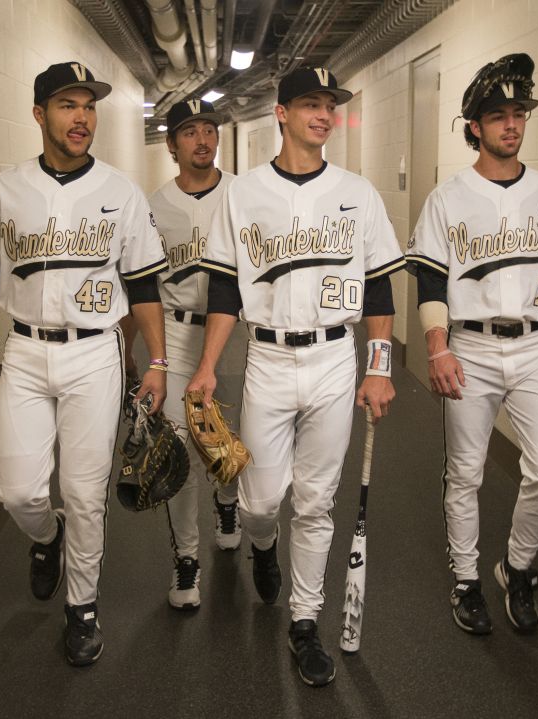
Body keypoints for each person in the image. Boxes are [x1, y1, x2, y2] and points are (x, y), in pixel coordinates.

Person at [186, 67, 405, 687]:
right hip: (271, 359)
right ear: (281, 114)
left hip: (337, 357)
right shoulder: (245, 192)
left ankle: (305, 622)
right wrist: (205, 366)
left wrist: (379, 367)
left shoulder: (357, 192)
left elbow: (381, 285)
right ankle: (260, 545)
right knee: (259, 501)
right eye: (310, 104)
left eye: (329, 105)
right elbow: (227, 287)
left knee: (315, 500)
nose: (323, 114)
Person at [0, 61, 168, 666]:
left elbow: (144, 286)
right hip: (23, 350)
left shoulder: (120, 192)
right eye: (68, 105)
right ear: (40, 115)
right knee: (16, 490)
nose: (81, 117)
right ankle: (47, 538)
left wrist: (158, 362)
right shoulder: (4, 189)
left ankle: (83, 608)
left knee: (83, 488)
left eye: (89, 106)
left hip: (95, 352)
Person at [405, 53, 538, 636]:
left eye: (518, 113)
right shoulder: (449, 198)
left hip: (534, 347)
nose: (511, 125)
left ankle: (516, 566)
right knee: (466, 472)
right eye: (498, 115)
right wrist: (437, 347)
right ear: (475, 125)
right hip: (469, 347)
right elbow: (428, 280)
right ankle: (467, 580)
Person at [123, 99, 242, 611]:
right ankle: (187, 559)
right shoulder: (153, 206)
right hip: (174, 332)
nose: (202, 139)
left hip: (238, 331)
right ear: (171, 144)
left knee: (234, 442)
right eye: (189, 131)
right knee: (180, 451)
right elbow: (140, 286)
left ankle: (230, 504)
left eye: (209, 129)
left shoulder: (244, 195)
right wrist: (131, 352)